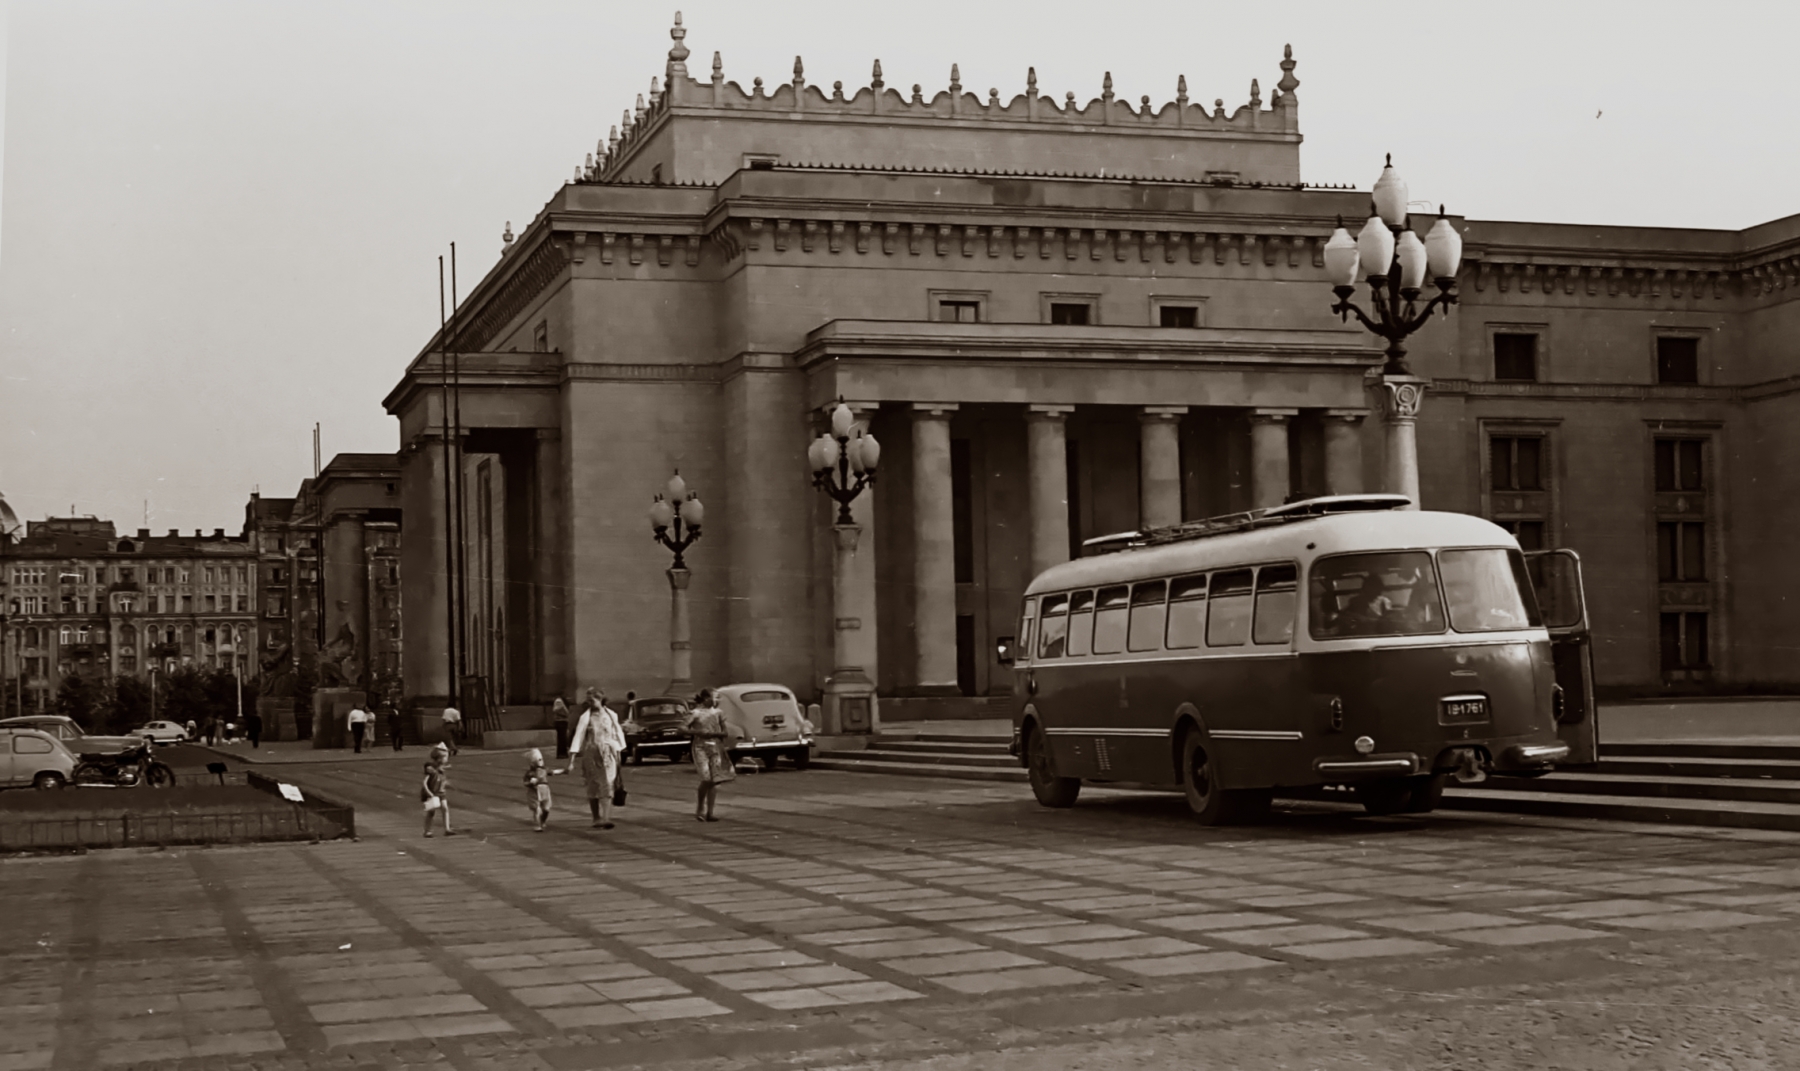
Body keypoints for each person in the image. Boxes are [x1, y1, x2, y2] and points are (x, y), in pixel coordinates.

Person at [563, 687, 624, 830]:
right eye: (588, 701)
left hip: (608, 754)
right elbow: (578, 737)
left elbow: (617, 735)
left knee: (608, 784)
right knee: (593, 786)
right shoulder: (585, 717)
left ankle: (606, 818)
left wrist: (619, 755)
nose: (591, 703)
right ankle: (596, 817)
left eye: (593, 700)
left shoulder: (611, 715)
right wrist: (571, 760)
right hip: (591, 754)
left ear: (600, 699)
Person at [684, 688, 734, 822]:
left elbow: (725, 732)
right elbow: (681, 728)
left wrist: (714, 734)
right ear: (706, 698)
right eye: (714, 697)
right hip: (700, 747)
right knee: (706, 778)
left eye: (718, 698)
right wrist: (698, 732)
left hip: (715, 747)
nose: (716, 700)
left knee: (714, 781)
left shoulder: (718, 713)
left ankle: (710, 812)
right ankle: (700, 807)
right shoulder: (695, 713)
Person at [422, 743, 454, 837]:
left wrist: (447, 784)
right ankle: (427, 830)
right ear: (439, 758)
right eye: (446, 757)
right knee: (431, 812)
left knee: (445, 808)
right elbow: (425, 782)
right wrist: (429, 793)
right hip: (433, 793)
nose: (447, 759)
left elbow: (441, 779)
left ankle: (447, 828)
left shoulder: (440, 769)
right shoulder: (431, 768)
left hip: (441, 793)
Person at [523, 747, 555, 832]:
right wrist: (530, 783)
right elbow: (525, 783)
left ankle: (542, 821)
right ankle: (537, 825)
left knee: (546, 809)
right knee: (537, 809)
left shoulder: (544, 770)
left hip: (544, 791)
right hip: (534, 792)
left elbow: (553, 772)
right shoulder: (529, 773)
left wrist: (564, 771)